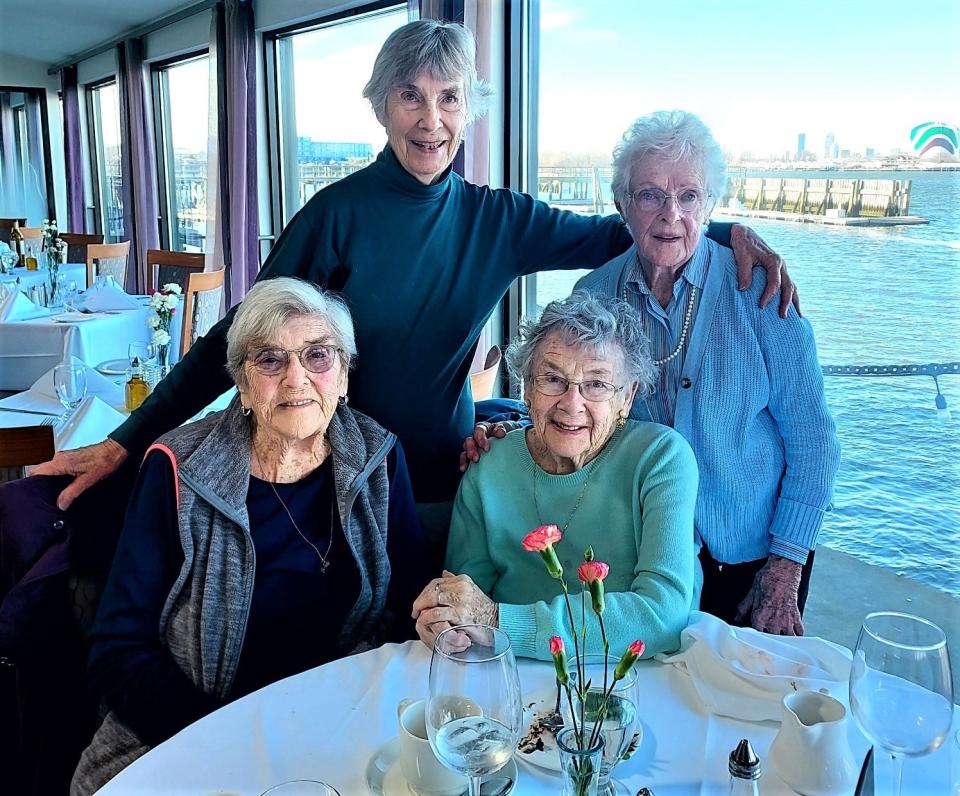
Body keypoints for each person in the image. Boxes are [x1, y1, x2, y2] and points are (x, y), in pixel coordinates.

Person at [36, 21, 792, 561]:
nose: (432, 121)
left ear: (470, 109)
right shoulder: (339, 216)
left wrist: (728, 232)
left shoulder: (499, 219)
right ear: (380, 105)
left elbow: (634, 225)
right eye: (411, 96)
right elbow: (235, 337)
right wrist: (127, 438)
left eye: (451, 98)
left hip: (455, 482)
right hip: (340, 486)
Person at [70, 278, 427, 794]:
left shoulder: (379, 458)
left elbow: (407, 604)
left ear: (344, 375)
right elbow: (118, 648)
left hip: (338, 724)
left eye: (318, 356)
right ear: (241, 381)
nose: (296, 379)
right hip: (193, 729)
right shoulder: (178, 469)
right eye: (269, 359)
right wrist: (225, 734)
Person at [574, 111, 840, 634]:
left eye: (689, 196)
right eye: (649, 195)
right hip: (645, 551)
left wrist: (785, 569)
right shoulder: (593, 296)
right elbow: (581, 418)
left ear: (710, 203)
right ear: (621, 205)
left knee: (749, 703)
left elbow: (814, 442)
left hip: (757, 558)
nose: (670, 214)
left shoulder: (761, 292)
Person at [412, 292, 698, 660]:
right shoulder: (488, 465)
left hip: (636, 673)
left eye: (596, 384)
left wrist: (498, 620)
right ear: (527, 389)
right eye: (552, 379)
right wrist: (447, 623)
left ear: (626, 397)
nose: (571, 403)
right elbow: (466, 597)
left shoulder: (661, 458)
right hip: (513, 668)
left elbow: (663, 615)